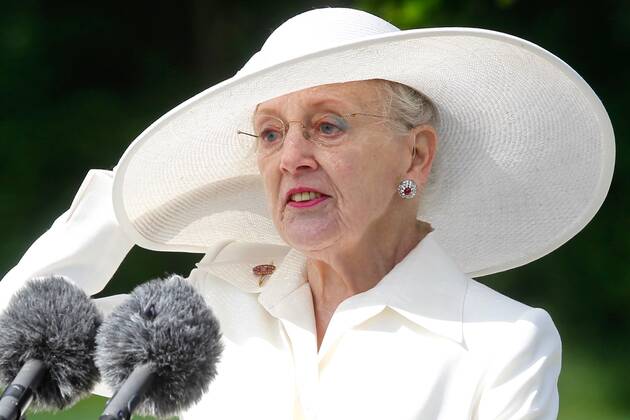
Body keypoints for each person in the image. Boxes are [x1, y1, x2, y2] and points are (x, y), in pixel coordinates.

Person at [0, 7, 615, 420]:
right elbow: (15, 347)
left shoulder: (503, 344)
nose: (291, 156)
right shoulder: (205, 308)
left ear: (416, 154)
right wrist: (128, 204)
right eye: (270, 135)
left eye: (327, 126)